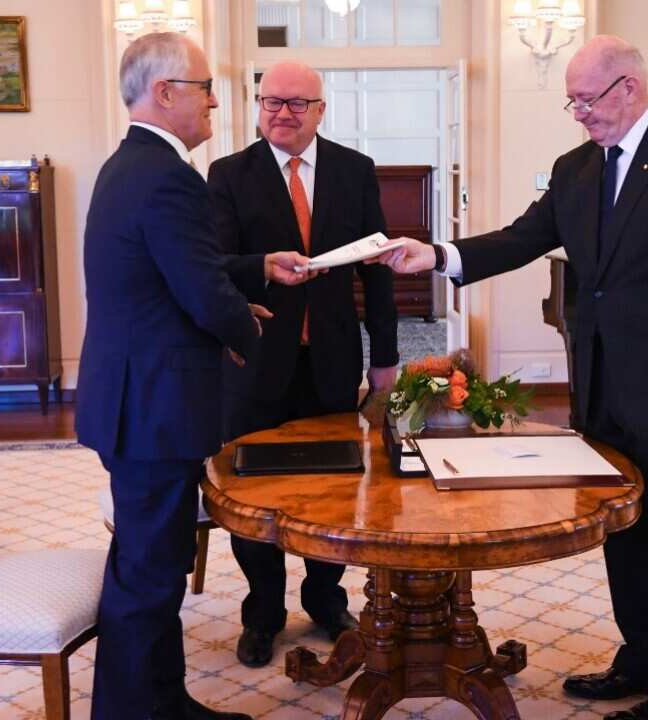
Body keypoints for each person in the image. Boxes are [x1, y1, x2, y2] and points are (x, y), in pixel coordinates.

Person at [372, 36, 648, 720]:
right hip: (603, 388)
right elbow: (521, 238)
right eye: (571, 102)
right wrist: (435, 255)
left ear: (629, 88)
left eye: (587, 100)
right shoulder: (576, 168)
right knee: (625, 536)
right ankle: (640, 662)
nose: (579, 113)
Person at [76, 32, 313, 720]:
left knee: (153, 566)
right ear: (164, 93)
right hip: (152, 408)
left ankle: (164, 702)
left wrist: (252, 269)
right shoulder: (168, 176)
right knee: (149, 576)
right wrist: (247, 332)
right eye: (205, 88)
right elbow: (203, 292)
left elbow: (178, 267)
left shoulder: (131, 166)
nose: (214, 102)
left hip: (136, 401)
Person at [208, 61, 399, 668]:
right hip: (255, 358)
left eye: (297, 103)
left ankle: (324, 599)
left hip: (332, 360)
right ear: (258, 105)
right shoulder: (228, 174)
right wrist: (261, 264)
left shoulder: (354, 170)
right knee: (253, 493)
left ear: (320, 110)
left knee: (334, 489)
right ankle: (263, 610)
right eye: (272, 101)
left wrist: (386, 357)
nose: (282, 113)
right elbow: (213, 264)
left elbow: (377, 268)